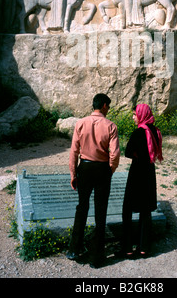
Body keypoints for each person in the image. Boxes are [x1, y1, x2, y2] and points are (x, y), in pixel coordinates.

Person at [68, 93, 120, 268]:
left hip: (85, 167)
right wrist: (110, 170)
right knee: (101, 210)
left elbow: (74, 151)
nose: (109, 109)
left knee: (81, 208)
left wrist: (73, 173)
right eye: (109, 106)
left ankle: (74, 249)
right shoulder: (111, 126)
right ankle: (96, 256)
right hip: (102, 169)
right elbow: (115, 154)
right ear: (104, 105)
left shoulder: (80, 123)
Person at [122, 103, 163, 257]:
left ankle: (127, 247)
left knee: (127, 207)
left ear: (141, 115)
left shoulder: (139, 132)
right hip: (149, 172)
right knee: (145, 210)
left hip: (137, 172)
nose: (133, 117)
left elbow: (127, 152)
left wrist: (136, 154)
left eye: (134, 114)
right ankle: (144, 246)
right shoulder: (156, 131)